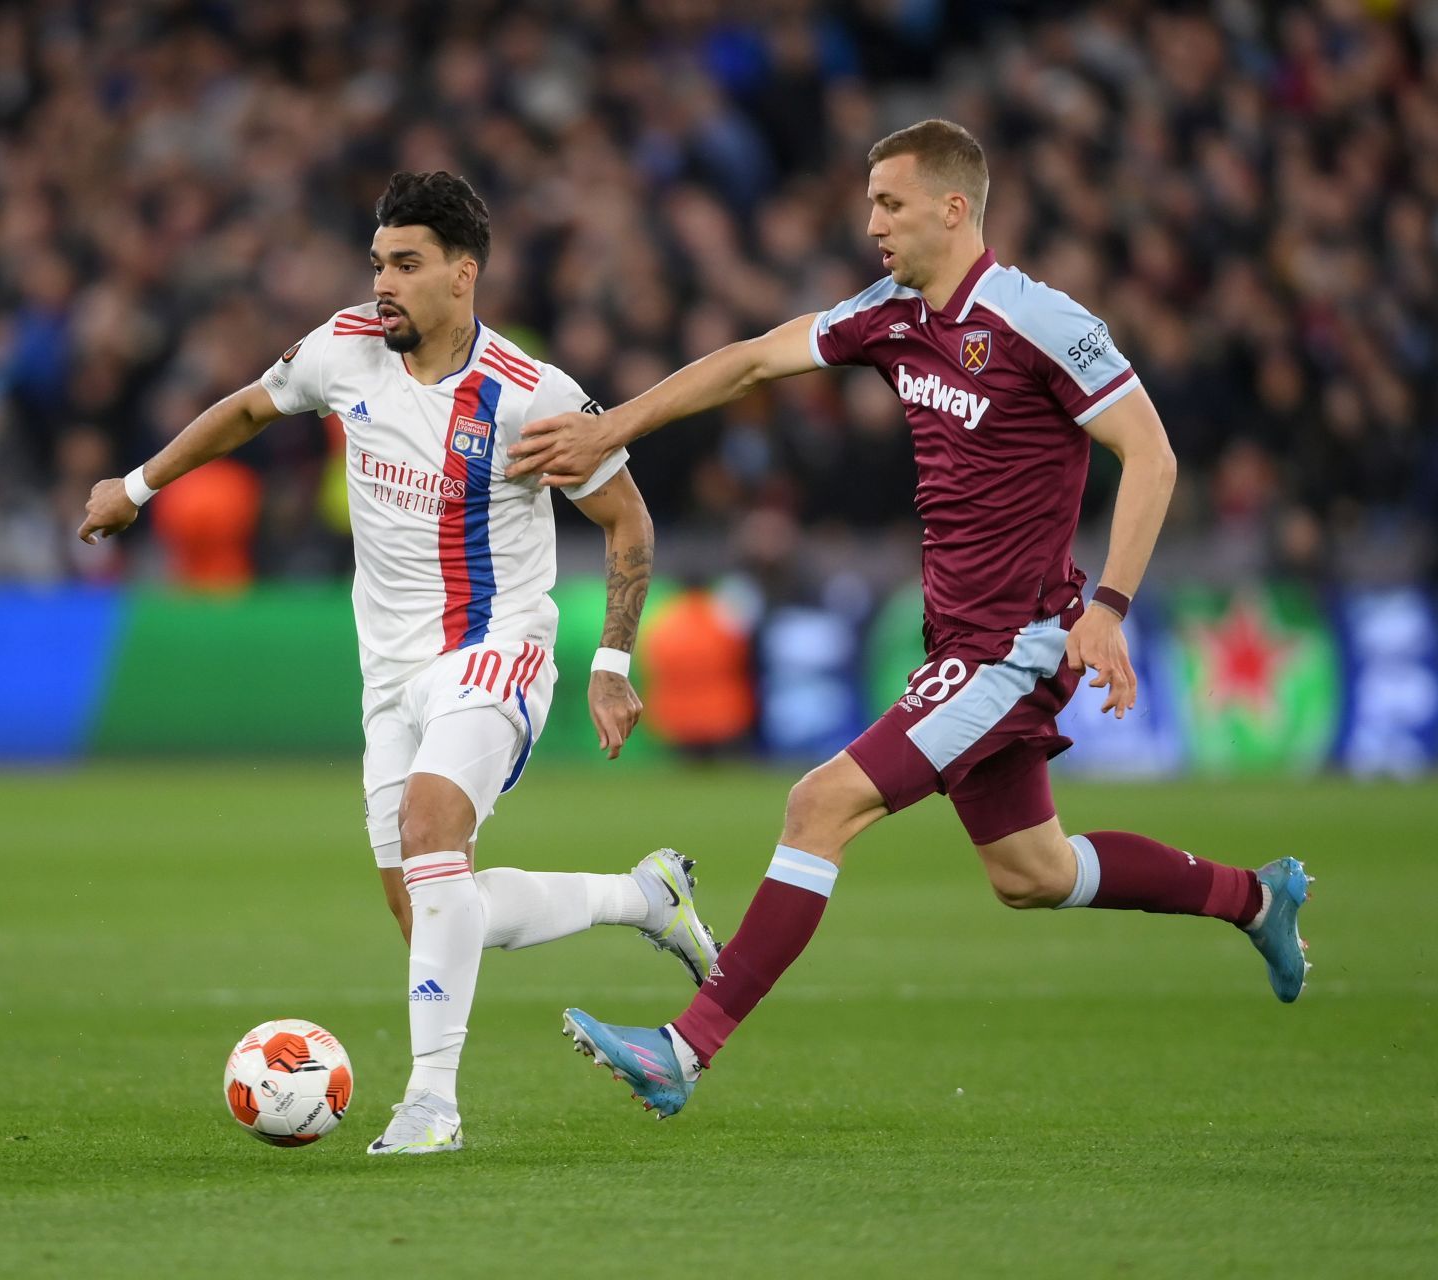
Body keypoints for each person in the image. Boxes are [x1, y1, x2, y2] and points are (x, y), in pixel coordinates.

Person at [504, 121, 1313, 1119]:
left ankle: (685, 1045)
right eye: (870, 201)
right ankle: (1259, 897)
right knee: (1033, 870)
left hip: (1015, 645)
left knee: (819, 803)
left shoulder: (1042, 320)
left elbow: (1152, 456)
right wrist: (611, 425)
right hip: (960, 641)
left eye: (890, 202)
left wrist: (1108, 608)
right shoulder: (889, 315)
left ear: (954, 206)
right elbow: (756, 360)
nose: (872, 221)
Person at [79, 171, 720, 1154]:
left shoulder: (527, 394)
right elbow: (252, 408)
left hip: (496, 647)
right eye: (377, 261)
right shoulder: (345, 350)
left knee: (432, 831)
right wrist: (137, 483)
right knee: (433, 906)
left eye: (406, 265)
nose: (383, 283)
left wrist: (612, 659)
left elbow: (626, 515)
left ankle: (432, 1105)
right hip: (388, 675)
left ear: (463, 277)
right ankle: (641, 896)